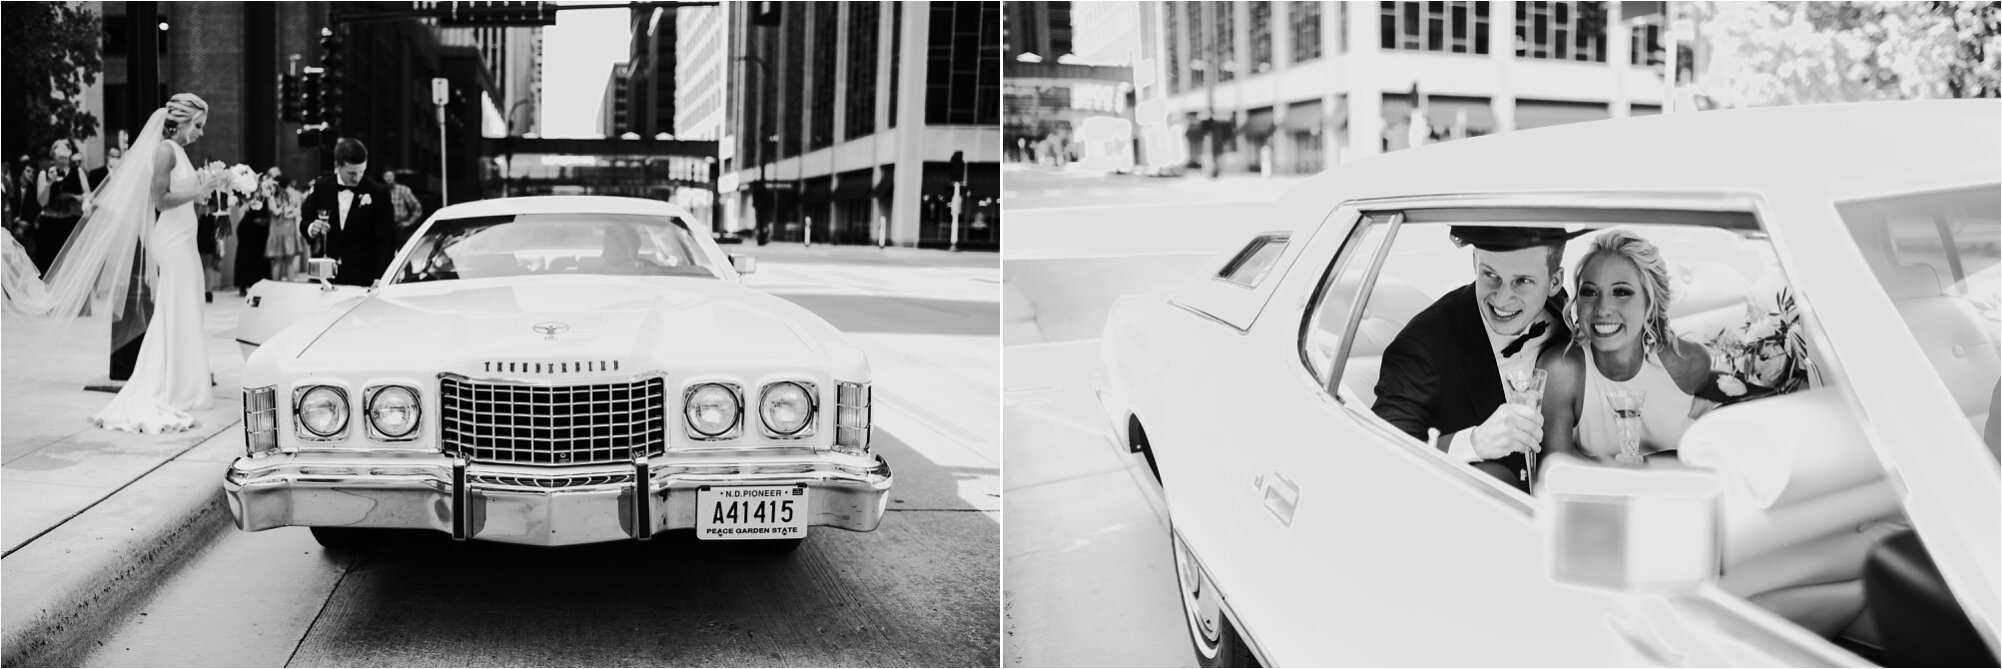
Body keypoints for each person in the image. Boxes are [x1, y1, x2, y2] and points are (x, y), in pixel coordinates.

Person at [0, 93, 231, 433]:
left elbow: (181, 200)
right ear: (181, 122)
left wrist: (207, 194)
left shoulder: (180, 152)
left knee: (185, 306)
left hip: (184, 239)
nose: (201, 132)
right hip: (171, 241)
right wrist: (198, 191)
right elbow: (160, 199)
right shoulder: (165, 150)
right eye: (198, 125)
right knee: (178, 305)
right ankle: (176, 386)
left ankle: (184, 382)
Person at [1372, 226, 1585, 492]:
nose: (1502, 298)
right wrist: (1472, 443)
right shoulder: (1422, 345)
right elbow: (1378, 455)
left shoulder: (1565, 313)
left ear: (1554, 282)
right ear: (1475, 262)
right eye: (1491, 275)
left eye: (1522, 281)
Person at [1538, 229, 1714, 465]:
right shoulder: (1563, 372)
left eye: (1621, 292)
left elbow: (1720, 448)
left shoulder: (1688, 362)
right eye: (1589, 292)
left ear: (1650, 302)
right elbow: (1553, 477)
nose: (1602, 309)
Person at [300, 138, 393, 286]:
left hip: (363, 277)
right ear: (337, 166)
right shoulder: (321, 187)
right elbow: (305, 221)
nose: (357, 178)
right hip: (324, 277)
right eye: (351, 173)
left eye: (361, 171)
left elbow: (387, 240)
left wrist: (381, 277)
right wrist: (312, 228)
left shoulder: (378, 192)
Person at [34, 139, 91, 274]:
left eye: (66, 149)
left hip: (72, 223)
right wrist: (49, 182)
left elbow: (88, 193)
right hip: (50, 224)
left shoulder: (78, 172)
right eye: (59, 150)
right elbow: (42, 202)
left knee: (72, 261)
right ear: (53, 154)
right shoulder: (45, 173)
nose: (63, 153)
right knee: (49, 261)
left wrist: (82, 200)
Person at [231, 172, 273, 294]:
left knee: (258, 258)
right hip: (249, 230)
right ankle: (244, 284)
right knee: (246, 256)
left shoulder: (266, 195)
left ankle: (259, 284)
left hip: (259, 231)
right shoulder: (251, 195)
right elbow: (254, 215)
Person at [264, 174, 305, 281]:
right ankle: (289, 287)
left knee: (277, 262)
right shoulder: (291, 195)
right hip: (287, 231)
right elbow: (297, 210)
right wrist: (288, 211)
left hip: (279, 230)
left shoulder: (273, 196)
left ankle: (276, 287)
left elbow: (275, 211)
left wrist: (284, 211)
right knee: (288, 262)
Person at [384, 169, 423, 246]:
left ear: (394, 177)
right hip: (386, 227)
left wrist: (409, 222)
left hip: (400, 227)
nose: (389, 178)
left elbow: (417, 207)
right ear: (383, 177)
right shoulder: (381, 191)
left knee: (402, 252)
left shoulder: (403, 190)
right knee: (386, 253)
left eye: (390, 176)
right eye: (386, 176)